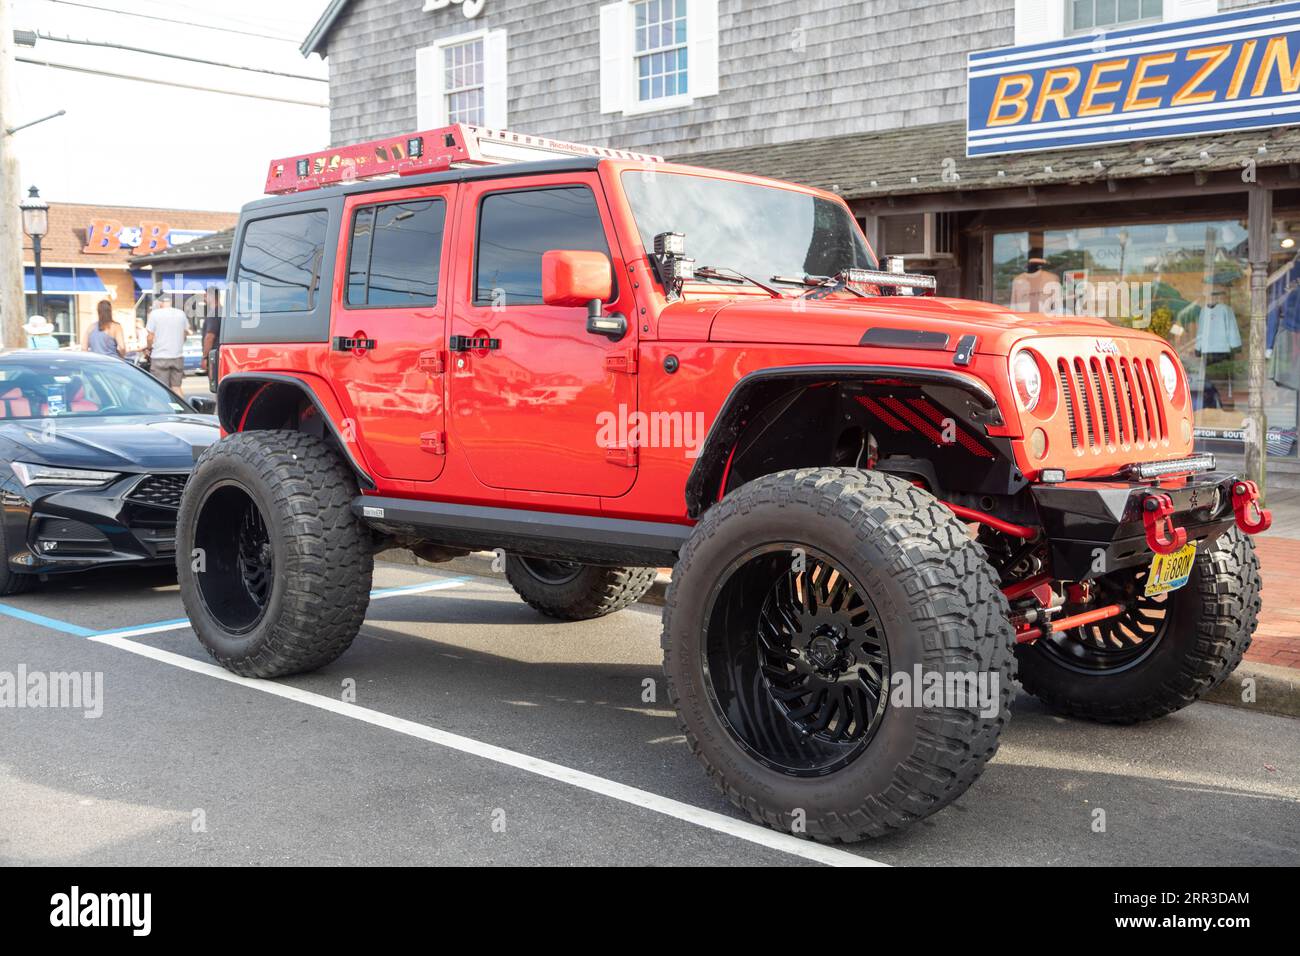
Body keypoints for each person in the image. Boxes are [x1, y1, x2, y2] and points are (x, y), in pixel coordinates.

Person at [145, 292, 189, 389]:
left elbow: (150, 336)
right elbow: (185, 334)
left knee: (161, 389)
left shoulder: (155, 314)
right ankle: (180, 404)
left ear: (159, 302)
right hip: (177, 356)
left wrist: (148, 348)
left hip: (159, 357)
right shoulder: (181, 314)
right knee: (176, 387)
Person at [199, 285, 222, 375]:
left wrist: (205, 357)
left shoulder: (213, 313)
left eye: (205, 295)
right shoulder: (223, 311)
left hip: (214, 357)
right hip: (220, 355)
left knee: (215, 384)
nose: (204, 298)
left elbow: (210, 337)